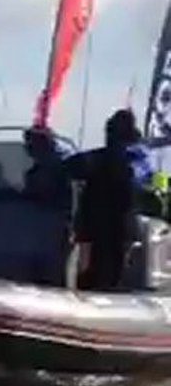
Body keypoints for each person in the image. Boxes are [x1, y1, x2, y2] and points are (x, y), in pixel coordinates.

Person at [65, 109, 149, 291]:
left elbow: (70, 167)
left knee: (103, 276)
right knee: (100, 275)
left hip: (109, 229)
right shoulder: (131, 160)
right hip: (106, 229)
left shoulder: (127, 158)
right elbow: (72, 167)